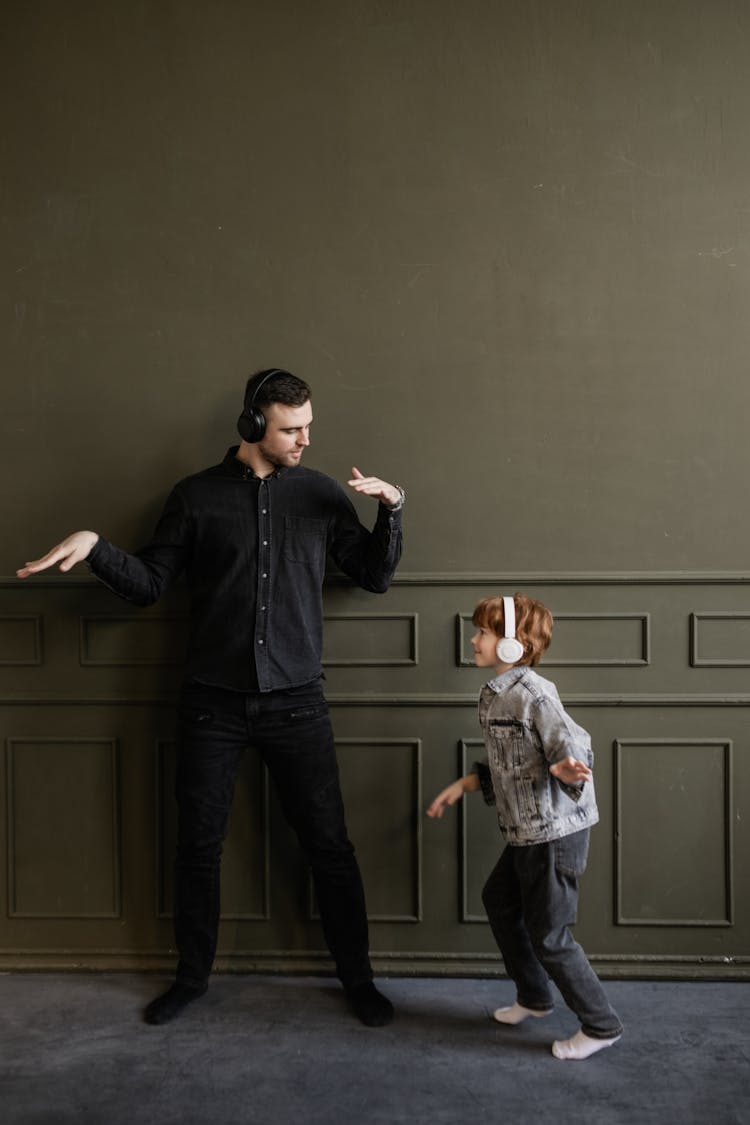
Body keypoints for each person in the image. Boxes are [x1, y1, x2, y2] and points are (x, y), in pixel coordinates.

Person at [17, 367, 404, 1028]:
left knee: (330, 847)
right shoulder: (195, 497)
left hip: (297, 703)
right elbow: (148, 584)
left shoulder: (319, 495)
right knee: (196, 847)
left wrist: (390, 508)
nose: (305, 439)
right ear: (253, 424)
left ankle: (359, 979)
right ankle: (191, 978)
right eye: (291, 428)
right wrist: (97, 546)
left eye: (309, 425)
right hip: (211, 705)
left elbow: (372, 576)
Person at [427, 593, 623, 1060]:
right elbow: (509, 761)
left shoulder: (535, 693)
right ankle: (534, 997)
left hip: (554, 833)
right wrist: (466, 783)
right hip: (524, 830)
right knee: (498, 899)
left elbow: (568, 743)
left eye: (483, 633)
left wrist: (568, 768)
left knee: (551, 936)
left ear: (514, 644)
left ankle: (601, 1025)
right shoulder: (494, 694)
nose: (473, 640)